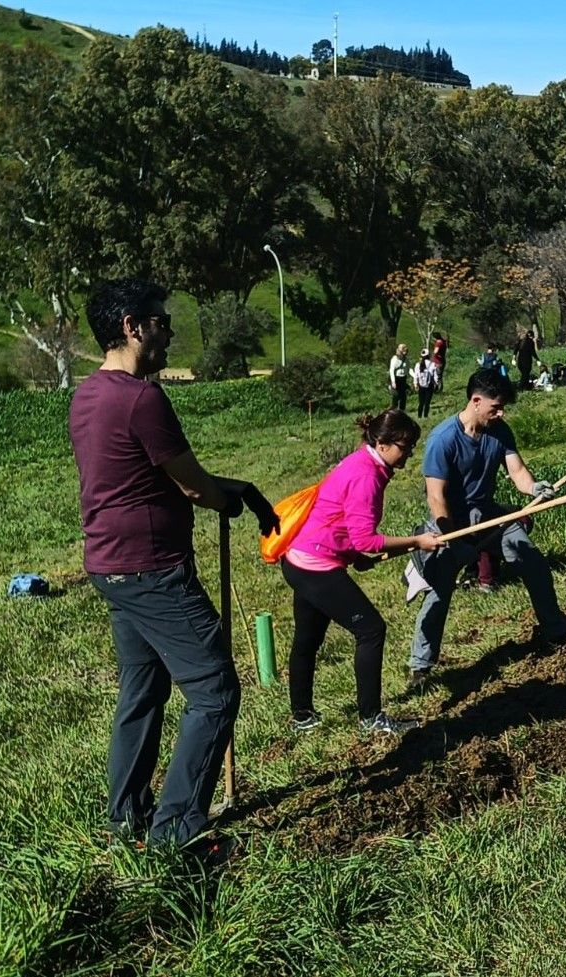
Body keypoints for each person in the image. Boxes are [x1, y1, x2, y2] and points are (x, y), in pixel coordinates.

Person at [68, 278, 280, 853]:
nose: (169, 330)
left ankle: (128, 819)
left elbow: (148, 477)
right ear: (133, 327)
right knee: (214, 690)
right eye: (161, 320)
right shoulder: (143, 398)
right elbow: (193, 488)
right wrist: (227, 497)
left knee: (143, 690)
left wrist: (231, 487)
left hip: (109, 566)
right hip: (153, 569)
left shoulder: (89, 394)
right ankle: (178, 833)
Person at [280, 410, 443, 736]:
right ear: (382, 444)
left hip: (299, 557)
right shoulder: (367, 475)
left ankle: (302, 717)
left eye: (412, 447)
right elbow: (367, 539)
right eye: (405, 446)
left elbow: (341, 520)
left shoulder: (362, 462)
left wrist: (353, 555)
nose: (409, 454)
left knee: (308, 639)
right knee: (370, 630)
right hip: (315, 564)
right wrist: (417, 541)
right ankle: (371, 718)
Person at [408, 368, 566, 687]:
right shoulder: (443, 439)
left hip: (488, 514)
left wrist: (535, 487)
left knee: (534, 564)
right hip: (450, 522)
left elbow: (518, 471)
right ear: (475, 400)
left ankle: (555, 631)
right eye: (496, 407)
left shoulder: (500, 432)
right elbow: (436, 497)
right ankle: (420, 666)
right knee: (440, 593)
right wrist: (453, 541)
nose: (501, 413)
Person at [413, 352, 439, 418]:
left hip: (421, 386)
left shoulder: (418, 365)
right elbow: (435, 375)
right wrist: (436, 383)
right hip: (430, 386)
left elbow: (416, 375)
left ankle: (419, 416)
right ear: (428, 356)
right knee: (427, 402)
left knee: (421, 402)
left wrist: (415, 384)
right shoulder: (432, 364)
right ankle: (425, 416)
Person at [388, 343, 411, 412]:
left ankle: (402, 411)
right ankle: (393, 410)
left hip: (403, 379)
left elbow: (409, 369)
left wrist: (415, 377)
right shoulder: (394, 359)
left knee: (403, 396)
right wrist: (393, 382)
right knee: (396, 395)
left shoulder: (406, 360)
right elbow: (391, 370)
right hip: (396, 378)